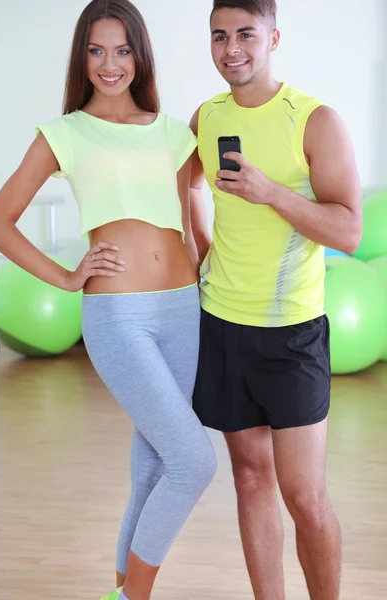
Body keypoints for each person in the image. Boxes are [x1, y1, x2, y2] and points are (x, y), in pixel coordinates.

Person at [0, 1, 217, 599]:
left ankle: (122, 591)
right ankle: (132, 597)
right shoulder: (64, 132)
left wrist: (212, 256)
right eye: (96, 50)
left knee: (156, 467)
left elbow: (191, 212)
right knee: (194, 462)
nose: (109, 64)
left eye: (121, 49)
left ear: (139, 54)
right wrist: (66, 276)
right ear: (81, 57)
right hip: (120, 316)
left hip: (183, 308)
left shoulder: (173, 132)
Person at [190, 1, 363, 599]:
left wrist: (271, 192)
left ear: (273, 38)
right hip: (223, 324)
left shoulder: (315, 120)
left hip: (291, 333)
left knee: (305, 497)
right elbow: (187, 179)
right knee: (250, 478)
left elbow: (348, 231)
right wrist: (201, 247)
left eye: (244, 34)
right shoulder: (206, 117)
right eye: (219, 36)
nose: (231, 48)